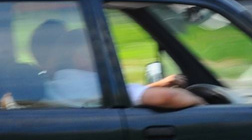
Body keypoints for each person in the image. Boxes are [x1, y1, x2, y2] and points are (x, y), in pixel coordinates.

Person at [31, 20, 202, 110]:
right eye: (102, 52)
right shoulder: (96, 85)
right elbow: (168, 98)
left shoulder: (53, 86)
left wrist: (155, 86)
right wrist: (200, 102)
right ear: (80, 58)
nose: (112, 58)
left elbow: (114, 96)